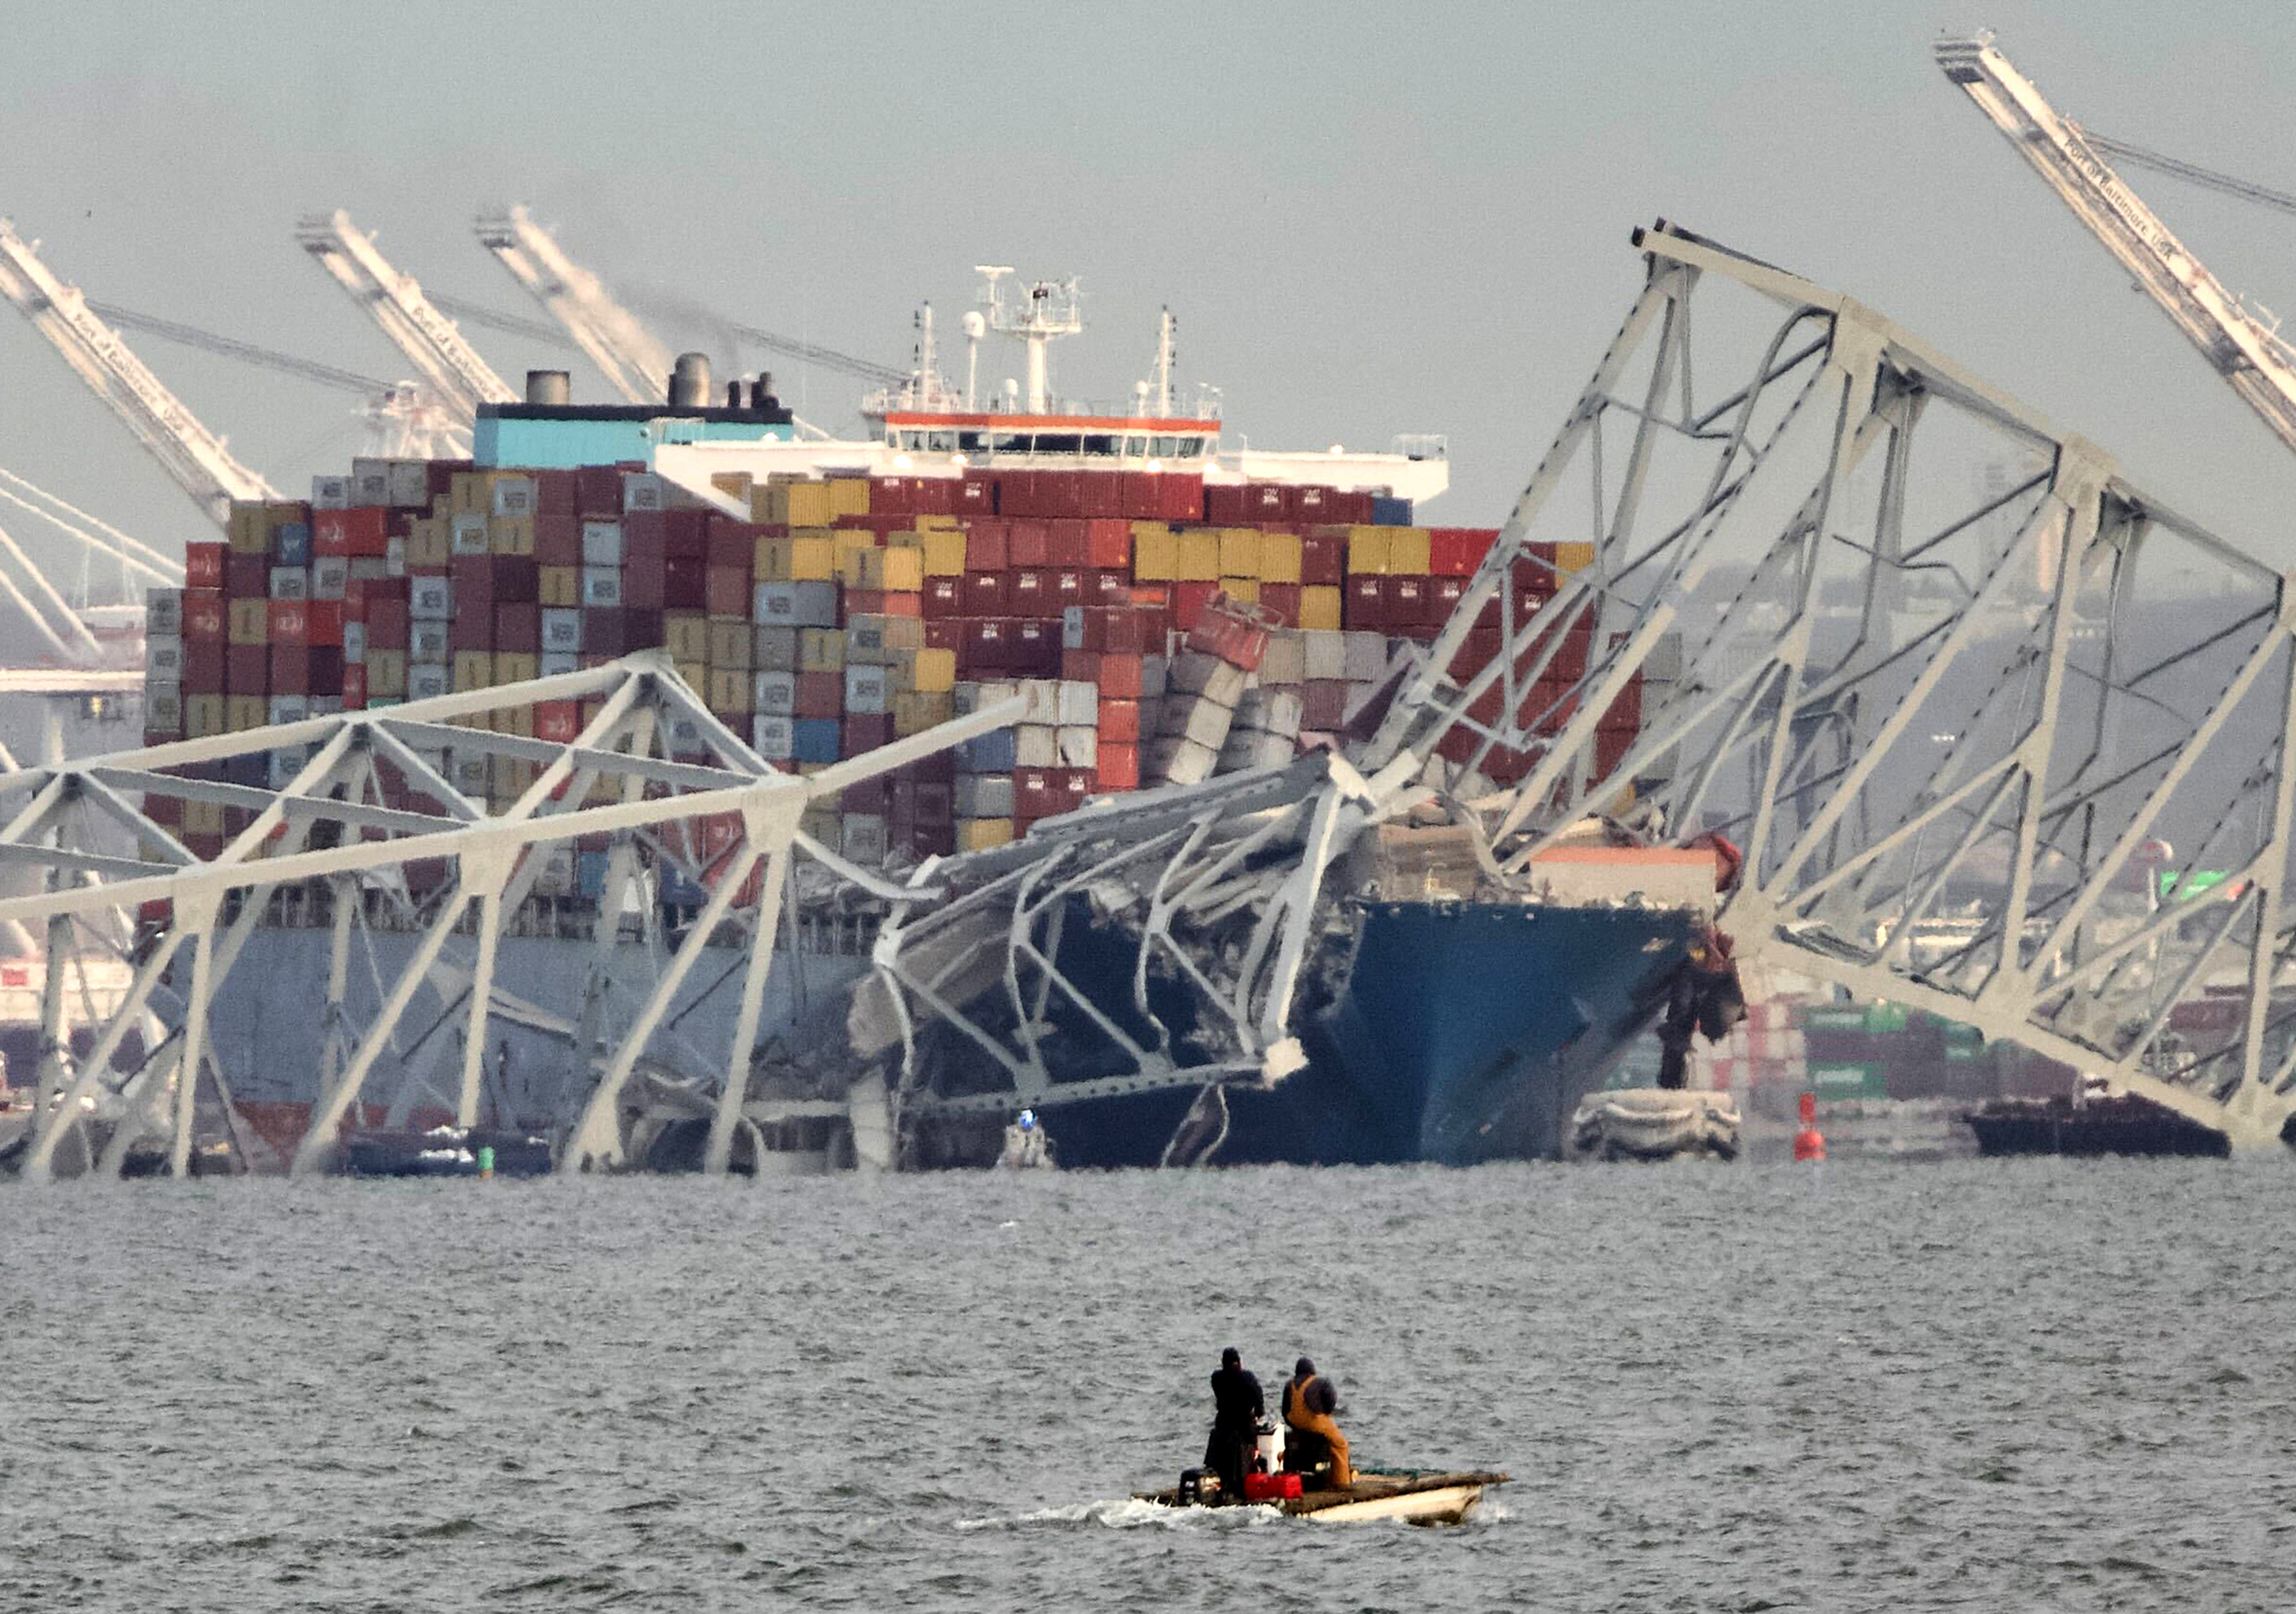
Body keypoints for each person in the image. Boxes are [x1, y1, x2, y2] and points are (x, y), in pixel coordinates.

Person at [1283, 1356, 1352, 1488]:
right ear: (1312, 1371)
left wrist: (1293, 1425)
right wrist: (1327, 1413)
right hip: (1314, 1422)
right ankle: (1342, 1482)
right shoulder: (1320, 1382)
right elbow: (1331, 1400)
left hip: (1295, 1424)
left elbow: (1285, 1410)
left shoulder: (1289, 1384)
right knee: (1340, 1445)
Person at [1204, 1347, 1263, 1500]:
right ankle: (1248, 1476)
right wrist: (1259, 1413)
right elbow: (1258, 1398)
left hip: (1223, 1423)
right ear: (1239, 1362)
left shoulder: (1217, 1378)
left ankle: (1223, 1482)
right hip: (1244, 1426)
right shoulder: (1247, 1377)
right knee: (1253, 1443)